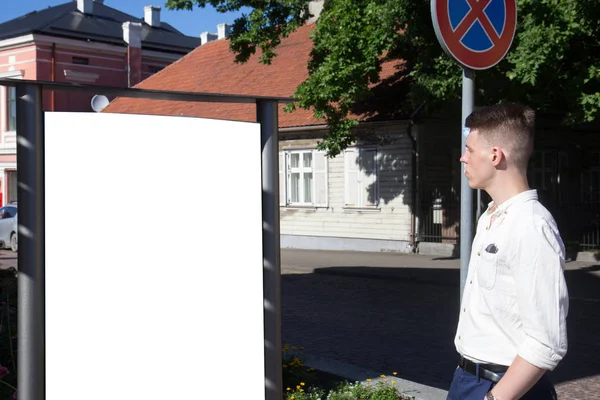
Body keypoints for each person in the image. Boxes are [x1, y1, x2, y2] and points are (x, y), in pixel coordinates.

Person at [447, 104, 569, 400]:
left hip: (501, 389)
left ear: (495, 155)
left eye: (469, 149)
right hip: (469, 380)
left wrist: (494, 398)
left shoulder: (531, 226)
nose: (463, 158)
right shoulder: (491, 216)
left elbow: (547, 342)